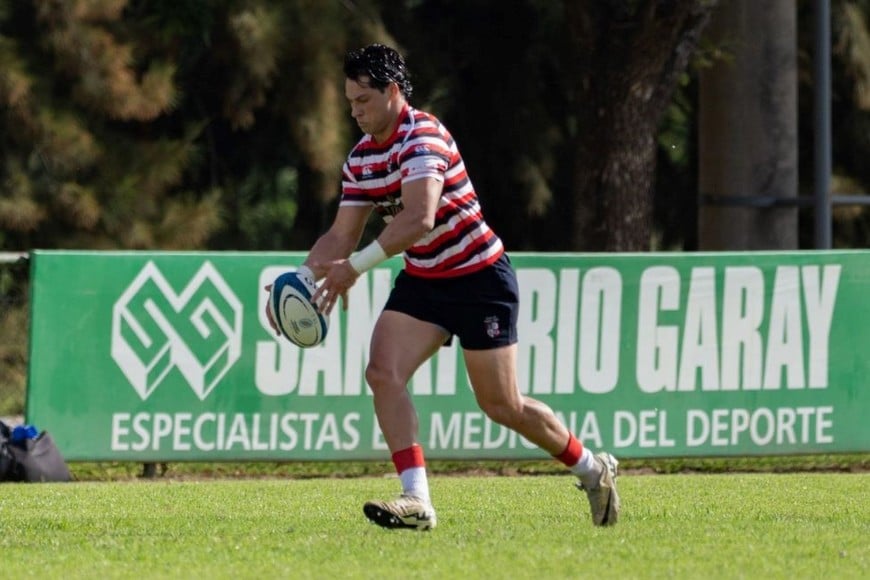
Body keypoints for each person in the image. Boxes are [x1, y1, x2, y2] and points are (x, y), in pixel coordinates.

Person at [266, 43, 619, 530]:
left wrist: (357, 267)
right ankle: (417, 501)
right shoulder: (362, 159)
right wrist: (299, 283)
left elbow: (419, 218)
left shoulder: (422, 136)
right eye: (349, 102)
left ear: (392, 92)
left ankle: (591, 469)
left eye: (362, 100)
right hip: (426, 281)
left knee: (502, 405)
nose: (354, 111)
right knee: (382, 372)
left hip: (480, 277)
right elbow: (340, 235)